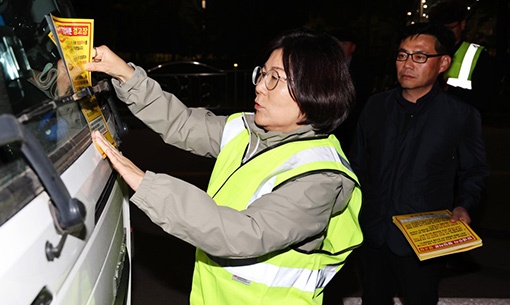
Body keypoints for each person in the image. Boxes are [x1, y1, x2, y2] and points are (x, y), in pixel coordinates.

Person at [86, 29, 363, 305]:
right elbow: (180, 123)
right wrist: (124, 74)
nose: (259, 85)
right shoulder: (249, 130)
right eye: (262, 73)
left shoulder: (321, 177)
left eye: (275, 78)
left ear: (313, 90)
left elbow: (244, 233)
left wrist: (147, 185)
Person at [350, 23, 489, 305]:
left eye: (420, 57)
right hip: (374, 232)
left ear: (443, 63)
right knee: (373, 299)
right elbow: (357, 164)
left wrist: (464, 204)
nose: (407, 64)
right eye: (402, 56)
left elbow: (474, 170)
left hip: (423, 239)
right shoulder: (376, 106)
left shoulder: (460, 115)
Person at [428, 0, 497, 114]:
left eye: (450, 28)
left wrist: (449, 91)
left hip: (461, 123)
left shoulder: (478, 56)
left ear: (462, 25)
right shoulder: (422, 52)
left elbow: (485, 99)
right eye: (439, 28)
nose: (444, 33)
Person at [331, 28, 374, 151]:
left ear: (352, 47)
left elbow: (363, 94)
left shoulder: (361, 68)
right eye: (337, 44)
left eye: (344, 44)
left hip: (352, 121)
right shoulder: (329, 65)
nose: (340, 47)